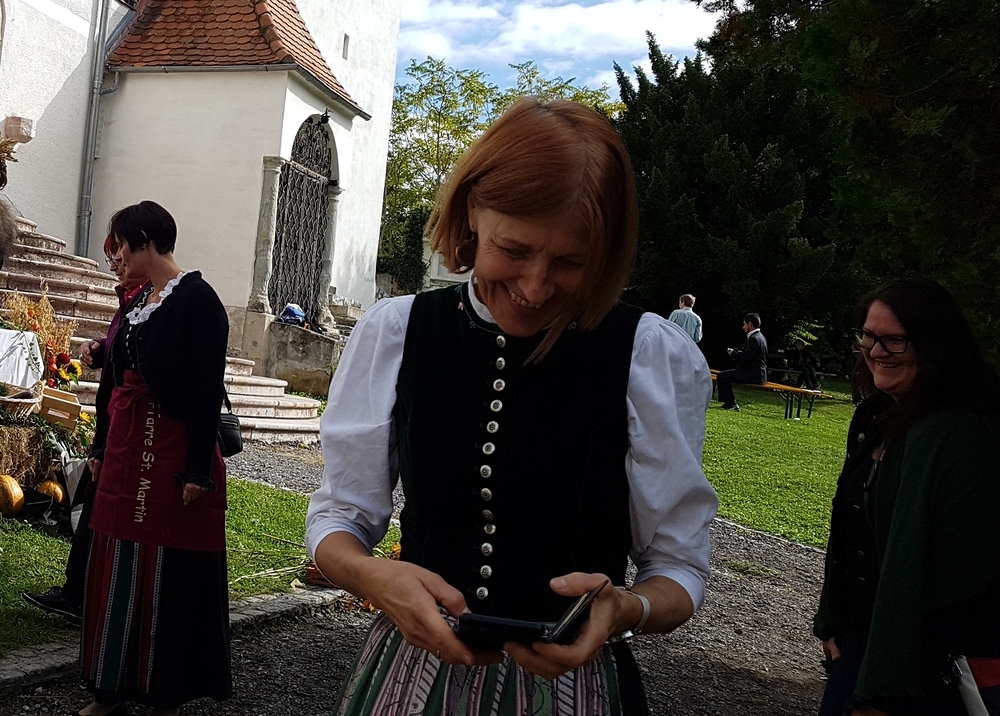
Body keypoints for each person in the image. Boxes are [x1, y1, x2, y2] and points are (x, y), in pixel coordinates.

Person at [306, 98, 718, 715]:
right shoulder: (397, 331)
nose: (535, 285)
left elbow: (678, 568)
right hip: (414, 681)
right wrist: (371, 576)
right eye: (515, 249)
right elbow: (340, 515)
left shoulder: (648, 355)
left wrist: (626, 608)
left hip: (573, 694)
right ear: (473, 211)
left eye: (572, 262)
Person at [813, 278, 1000, 716]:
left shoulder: (958, 433)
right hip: (864, 642)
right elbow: (850, 525)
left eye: (894, 340)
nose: (876, 351)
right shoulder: (877, 415)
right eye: (868, 336)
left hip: (925, 660)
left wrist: (884, 689)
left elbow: (935, 575)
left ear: (935, 345)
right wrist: (835, 620)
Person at [79, 201, 231, 716]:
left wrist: (197, 470)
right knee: (115, 560)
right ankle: (108, 689)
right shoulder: (139, 300)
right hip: (126, 448)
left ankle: (164, 690)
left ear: (146, 241)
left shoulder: (199, 300)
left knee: (168, 569)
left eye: (122, 245)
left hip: (171, 451)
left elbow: (206, 392)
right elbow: (120, 373)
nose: (118, 256)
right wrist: (100, 447)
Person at [21, 234, 151, 625]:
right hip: (113, 422)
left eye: (120, 257)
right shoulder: (130, 299)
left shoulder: (153, 301)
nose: (116, 265)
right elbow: (121, 349)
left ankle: (83, 596)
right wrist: (100, 348)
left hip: (130, 429)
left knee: (100, 510)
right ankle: (79, 592)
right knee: (93, 507)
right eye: (111, 259)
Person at [716, 313, 768, 411]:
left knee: (722, 376)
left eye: (744, 324)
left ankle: (731, 403)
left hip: (753, 374)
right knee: (724, 375)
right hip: (757, 373)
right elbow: (750, 354)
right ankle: (730, 403)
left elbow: (746, 357)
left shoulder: (754, 339)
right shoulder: (760, 337)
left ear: (750, 324)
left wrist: (733, 354)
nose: (743, 326)